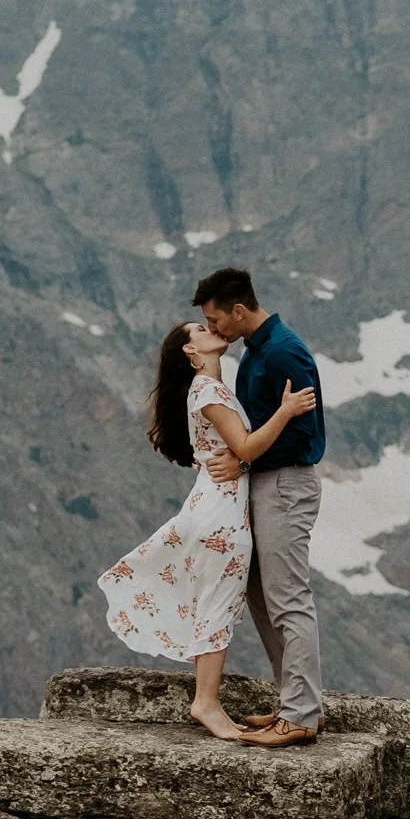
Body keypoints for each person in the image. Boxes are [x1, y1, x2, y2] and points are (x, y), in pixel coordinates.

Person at [98, 322, 317, 742]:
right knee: (218, 605)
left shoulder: (209, 388)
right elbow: (246, 448)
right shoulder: (209, 391)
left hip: (215, 506)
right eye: (200, 328)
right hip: (222, 515)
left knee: (214, 601)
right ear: (190, 350)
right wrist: (286, 411)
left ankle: (211, 700)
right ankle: (206, 702)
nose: (211, 327)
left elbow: (236, 451)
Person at [194, 267, 329, 748]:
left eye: (215, 319)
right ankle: (295, 700)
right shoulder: (255, 351)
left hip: (286, 484)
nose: (213, 329)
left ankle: (301, 715)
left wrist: (244, 457)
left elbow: (303, 433)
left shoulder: (282, 351)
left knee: (288, 597)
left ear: (238, 310)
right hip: (266, 482)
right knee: (260, 594)